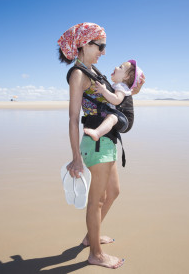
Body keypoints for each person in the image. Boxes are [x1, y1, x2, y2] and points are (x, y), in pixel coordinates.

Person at [58, 22, 145, 269]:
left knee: (113, 192)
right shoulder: (78, 73)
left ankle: (90, 237)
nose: (104, 52)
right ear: (85, 43)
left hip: (107, 141)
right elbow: (73, 117)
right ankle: (95, 253)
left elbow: (115, 100)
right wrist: (76, 157)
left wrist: (132, 91)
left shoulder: (93, 70)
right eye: (101, 46)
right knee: (97, 200)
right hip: (95, 142)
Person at [84, 60, 144, 141]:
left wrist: (103, 90)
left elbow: (116, 100)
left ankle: (97, 133)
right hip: (121, 118)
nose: (116, 67)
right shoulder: (120, 86)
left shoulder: (121, 86)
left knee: (112, 117)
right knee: (112, 117)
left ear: (126, 77)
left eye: (120, 67)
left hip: (125, 120)